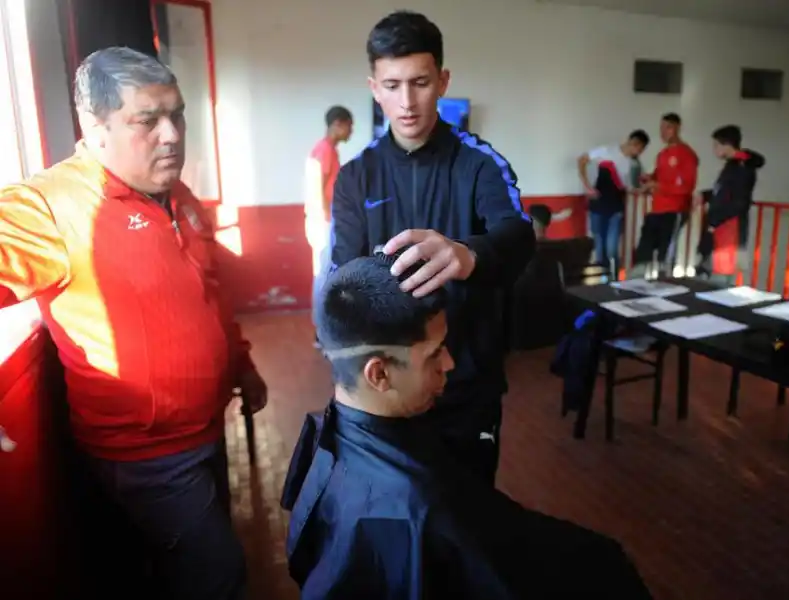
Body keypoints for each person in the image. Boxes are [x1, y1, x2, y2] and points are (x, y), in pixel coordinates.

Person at [0, 47, 266, 599]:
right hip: (146, 456)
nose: (172, 134)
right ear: (95, 129)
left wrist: (242, 363)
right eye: (147, 120)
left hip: (205, 428)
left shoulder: (178, 196)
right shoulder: (52, 206)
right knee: (220, 576)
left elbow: (209, 295)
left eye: (178, 114)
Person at [282, 254, 655, 600]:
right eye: (433, 355)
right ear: (378, 373)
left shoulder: (323, 430)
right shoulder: (418, 507)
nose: (450, 363)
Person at [328, 11, 535, 485]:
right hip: (389, 393)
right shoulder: (356, 176)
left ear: (442, 81)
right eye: (392, 85)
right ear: (374, 87)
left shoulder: (481, 164)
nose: (406, 102)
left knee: (472, 513)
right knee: (403, 520)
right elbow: (344, 274)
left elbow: (519, 235)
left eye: (420, 82)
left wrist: (470, 255)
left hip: (466, 382)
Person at [628, 113, 698, 278]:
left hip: (675, 210)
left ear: (677, 128)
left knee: (665, 252)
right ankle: (635, 285)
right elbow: (658, 176)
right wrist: (648, 179)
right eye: (661, 128)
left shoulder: (687, 154)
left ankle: (664, 284)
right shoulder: (663, 154)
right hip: (657, 208)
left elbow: (687, 186)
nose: (663, 132)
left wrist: (657, 185)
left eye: (667, 128)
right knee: (644, 248)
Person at [694, 125, 765, 284]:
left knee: (720, 279)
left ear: (726, 145)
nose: (714, 150)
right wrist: (705, 195)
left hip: (729, 228)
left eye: (716, 145)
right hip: (721, 227)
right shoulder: (733, 165)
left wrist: (715, 221)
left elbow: (738, 202)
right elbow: (723, 192)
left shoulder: (742, 168)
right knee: (712, 274)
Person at [577, 130, 649, 271]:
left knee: (612, 247)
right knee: (599, 246)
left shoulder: (633, 164)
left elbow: (629, 186)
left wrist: (640, 189)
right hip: (598, 204)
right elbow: (582, 160)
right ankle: (601, 280)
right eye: (640, 149)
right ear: (634, 143)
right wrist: (587, 185)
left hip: (616, 206)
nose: (639, 153)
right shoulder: (607, 151)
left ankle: (614, 279)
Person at [306, 105, 353, 301]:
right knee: (323, 271)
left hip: (321, 217)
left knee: (324, 269)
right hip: (322, 219)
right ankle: (323, 320)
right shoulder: (325, 149)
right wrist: (326, 217)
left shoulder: (326, 148)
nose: (351, 132)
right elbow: (318, 186)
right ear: (337, 124)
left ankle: (323, 317)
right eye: (349, 126)